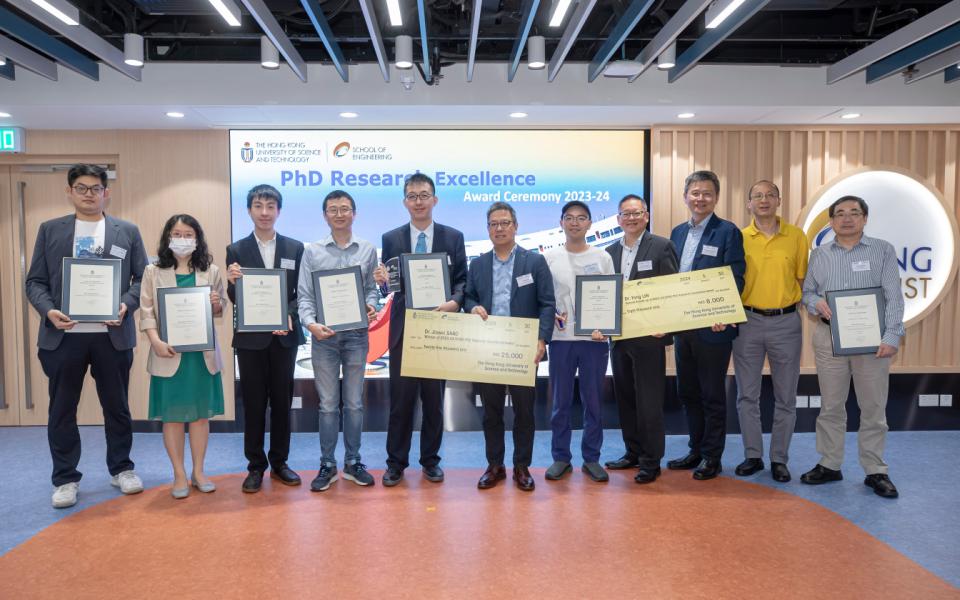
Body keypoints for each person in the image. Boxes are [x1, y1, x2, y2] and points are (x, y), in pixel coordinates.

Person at [26, 164, 147, 509]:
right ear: (69, 191)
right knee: (62, 409)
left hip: (112, 335)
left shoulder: (127, 231)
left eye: (96, 188)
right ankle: (65, 478)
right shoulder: (50, 230)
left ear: (106, 193)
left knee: (117, 406)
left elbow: (141, 279)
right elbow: (34, 281)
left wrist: (125, 304)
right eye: (82, 188)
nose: (89, 194)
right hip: (64, 337)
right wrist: (49, 310)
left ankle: (121, 468)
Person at [800, 195, 904, 498]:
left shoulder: (882, 250)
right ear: (831, 221)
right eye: (840, 214)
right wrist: (815, 302)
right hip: (828, 339)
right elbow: (807, 293)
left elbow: (894, 297)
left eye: (854, 213)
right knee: (831, 406)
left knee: (873, 407)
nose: (847, 219)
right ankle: (830, 464)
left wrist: (891, 336)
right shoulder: (819, 254)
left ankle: (875, 470)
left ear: (865, 218)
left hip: (872, 344)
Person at [374, 173, 467, 487]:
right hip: (404, 329)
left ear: (434, 199)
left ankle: (431, 461)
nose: (418, 201)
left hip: (438, 328)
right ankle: (395, 463)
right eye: (412, 196)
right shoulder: (391, 237)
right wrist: (383, 280)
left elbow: (462, 281)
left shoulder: (453, 237)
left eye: (424, 195)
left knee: (433, 402)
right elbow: (392, 284)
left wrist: (455, 302)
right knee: (400, 402)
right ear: (404, 202)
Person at [464, 202, 555, 491]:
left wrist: (542, 338)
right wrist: (473, 306)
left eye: (505, 222)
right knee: (491, 412)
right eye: (494, 223)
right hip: (487, 350)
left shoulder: (534, 262)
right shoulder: (477, 264)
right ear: (488, 228)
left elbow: (547, 304)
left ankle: (521, 466)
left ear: (516, 226)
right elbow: (468, 298)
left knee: (524, 412)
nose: (499, 228)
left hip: (523, 350)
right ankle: (495, 465)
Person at [226, 184, 305, 493]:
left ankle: (281, 463)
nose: (264, 212)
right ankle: (255, 466)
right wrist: (232, 283)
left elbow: (303, 293)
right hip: (250, 339)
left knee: (282, 403)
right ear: (249, 210)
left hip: (284, 337)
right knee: (255, 404)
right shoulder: (236, 250)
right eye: (258, 206)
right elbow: (236, 297)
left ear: (278, 211)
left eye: (270, 206)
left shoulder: (295, 248)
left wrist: (290, 314)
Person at [298, 190, 379, 492]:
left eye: (345, 209)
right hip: (324, 339)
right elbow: (306, 295)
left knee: (355, 404)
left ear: (354, 213)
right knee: (328, 405)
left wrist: (371, 305)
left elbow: (371, 289)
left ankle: (353, 462)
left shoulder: (367, 249)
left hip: (357, 336)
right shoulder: (313, 251)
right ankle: (327, 464)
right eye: (333, 209)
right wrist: (310, 325)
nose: (340, 214)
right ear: (325, 215)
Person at [140, 214, 225, 499]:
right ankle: (178, 473)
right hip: (168, 353)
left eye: (189, 234)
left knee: (200, 417)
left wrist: (216, 305)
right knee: (173, 418)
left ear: (197, 238)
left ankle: (199, 471)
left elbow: (220, 308)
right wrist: (155, 342)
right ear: (167, 237)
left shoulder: (211, 270)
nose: (183, 239)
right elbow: (147, 311)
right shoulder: (152, 271)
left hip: (200, 356)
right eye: (177, 234)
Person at [667, 170, 746, 481]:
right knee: (688, 392)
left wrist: (724, 312)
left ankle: (713, 456)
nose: (700, 198)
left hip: (714, 327)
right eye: (695, 193)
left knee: (712, 394)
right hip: (683, 326)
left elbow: (736, 277)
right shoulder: (677, 233)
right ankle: (696, 449)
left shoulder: (728, 232)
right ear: (686, 196)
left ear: (716, 198)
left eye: (707, 194)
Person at [732, 180, 808, 483]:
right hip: (747, 322)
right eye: (757, 196)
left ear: (779, 200)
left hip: (786, 323)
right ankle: (753, 455)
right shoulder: (738, 238)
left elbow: (803, 281)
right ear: (749, 204)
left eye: (769, 195)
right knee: (746, 395)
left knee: (785, 397)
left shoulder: (797, 237)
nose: (764, 200)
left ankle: (779, 458)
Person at [604, 195, 679, 484]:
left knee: (649, 401)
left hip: (649, 337)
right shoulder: (609, 252)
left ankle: (651, 460)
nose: (631, 218)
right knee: (626, 398)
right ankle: (632, 452)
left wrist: (667, 328)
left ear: (646, 216)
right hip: (619, 336)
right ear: (618, 219)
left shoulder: (662, 246)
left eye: (637, 213)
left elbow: (672, 290)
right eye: (626, 214)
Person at [543, 200, 615, 483]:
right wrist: (551, 315)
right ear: (561, 222)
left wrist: (605, 326)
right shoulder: (549, 257)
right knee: (560, 402)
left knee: (593, 401)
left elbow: (611, 296)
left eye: (581, 218)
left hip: (594, 341)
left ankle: (592, 458)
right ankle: (561, 457)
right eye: (569, 218)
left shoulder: (603, 257)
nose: (575, 222)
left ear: (589, 223)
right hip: (561, 340)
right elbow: (544, 298)